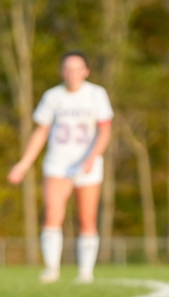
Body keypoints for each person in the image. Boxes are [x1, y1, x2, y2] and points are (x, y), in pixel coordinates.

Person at [7, 51, 113, 284]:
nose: (72, 73)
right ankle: (51, 269)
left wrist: (92, 157)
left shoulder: (97, 94)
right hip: (58, 164)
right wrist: (24, 164)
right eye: (68, 68)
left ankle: (85, 272)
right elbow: (41, 131)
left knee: (87, 217)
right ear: (62, 71)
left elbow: (105, 130)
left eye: (77, 69)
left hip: (87, 164)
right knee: (53, 213)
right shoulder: (52, 96)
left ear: (86, 71)